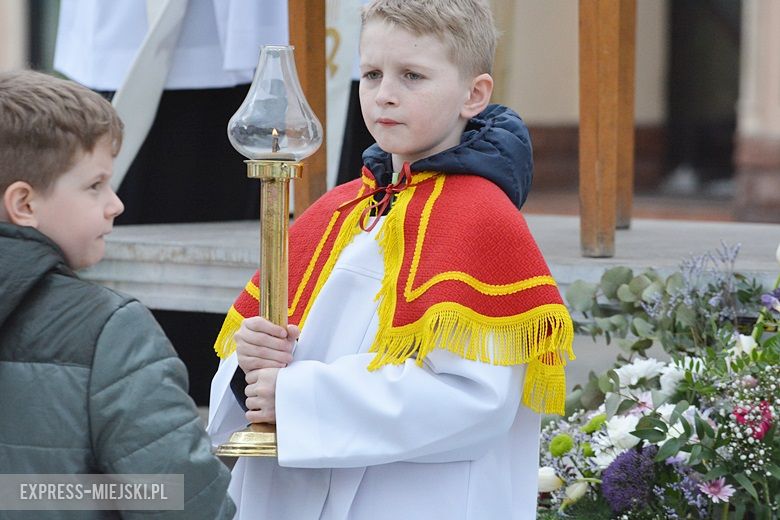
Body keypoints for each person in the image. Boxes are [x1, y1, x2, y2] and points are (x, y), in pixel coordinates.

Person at [207, 1, 575, 518]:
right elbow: (261, 374)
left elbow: (473, 402)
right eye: (372, 73)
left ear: (475, 94)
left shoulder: (482, 221)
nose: (385, 94)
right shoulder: (339, 208)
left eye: (413, 76)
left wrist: (297, 399)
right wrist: (251, 360)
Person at [0, 69, 235, 519]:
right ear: (25, 204)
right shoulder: (109, 330)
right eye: (94, 185)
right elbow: (181, 503)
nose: (116, 203)